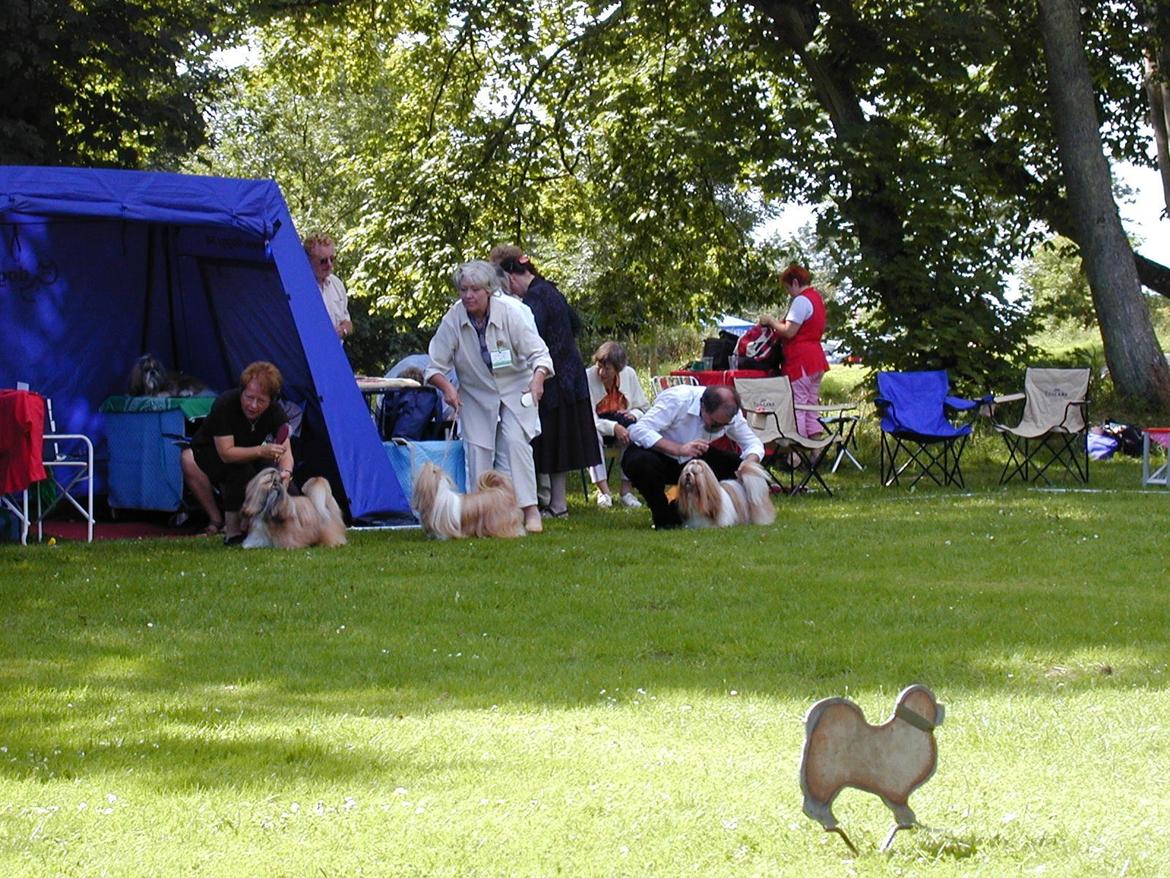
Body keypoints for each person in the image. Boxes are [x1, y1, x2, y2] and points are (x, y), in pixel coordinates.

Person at [425, 260, 554, 534]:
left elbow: (539, 355)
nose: (468, 295)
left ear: (489, 290)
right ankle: (480, 518)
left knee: (516, 444)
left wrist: (538, 380)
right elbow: (435, 366)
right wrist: (448, 388)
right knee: (478, 452)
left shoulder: (512, 313)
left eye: (475, 289)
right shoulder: (453, 319)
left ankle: (530, 511)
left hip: (516, 388)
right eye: (463, 289)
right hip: (476, 395)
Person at [492, 245, 601, 519]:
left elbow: (526, 338)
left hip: (554, 380)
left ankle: (556, 505)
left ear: (510, 276)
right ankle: (555, 503)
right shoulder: (549, 289)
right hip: (570, 375)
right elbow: (574, 323)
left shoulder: (534, 300)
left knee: (553, 442)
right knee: (558, 442)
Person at [623, 384, 764, 530]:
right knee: (640, 463)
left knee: (738, 466)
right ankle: (663, 514)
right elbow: (638, 430)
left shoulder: (730, 413)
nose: (720, 428)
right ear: (703, 407)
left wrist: (748, 463)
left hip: (695, 457)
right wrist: (679, 449)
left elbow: (753, 444)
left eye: (724, 425)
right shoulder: (677, 399)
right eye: (715, 424)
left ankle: (721, 512)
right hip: (658, 454)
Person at [180, 361, 293, 544]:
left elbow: (286, 450)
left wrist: (286, 474)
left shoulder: (275, 412)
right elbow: (227, 453)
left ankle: (279, 528)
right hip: (211, 451)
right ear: (241, 391)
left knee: (275, 480)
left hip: (252, 451)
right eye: (249, 397)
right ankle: (232, 532)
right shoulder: (225, 404)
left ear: (271, 400)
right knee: (241, 472)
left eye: (261, 400)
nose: (253, 405)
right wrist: (261, 451)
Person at [757, 263, 830, 436]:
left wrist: (771, 321)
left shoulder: (801, 301)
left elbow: (789, 331)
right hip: (816, 360)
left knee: (798, 407)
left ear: (795, 283)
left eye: (788, 288)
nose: (789, 292)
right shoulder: (817, 299)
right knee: (812, 406)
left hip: (801, 361)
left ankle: (797, 455)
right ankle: (815, 450)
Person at [585, 341, 648, 509]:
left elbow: (643, 407)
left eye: (607, 369)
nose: (601, 372)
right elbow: (588, 419)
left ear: (618, 369)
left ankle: (626, 492)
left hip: (622, 424)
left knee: (635, 433)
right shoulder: (588, 377)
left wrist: (632, 415)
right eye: (599, 366)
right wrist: (614, 428)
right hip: (597, 427)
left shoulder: (630, 375)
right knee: (591, 435)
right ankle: (604, 492)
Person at [303, 233, 354, 341]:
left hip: (335, 353)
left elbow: (348, 323)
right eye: (323, 261)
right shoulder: (300, 290)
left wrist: (343, 330)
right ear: (308, 261)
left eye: (332, 259)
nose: (330, 265)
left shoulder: (337, 284)